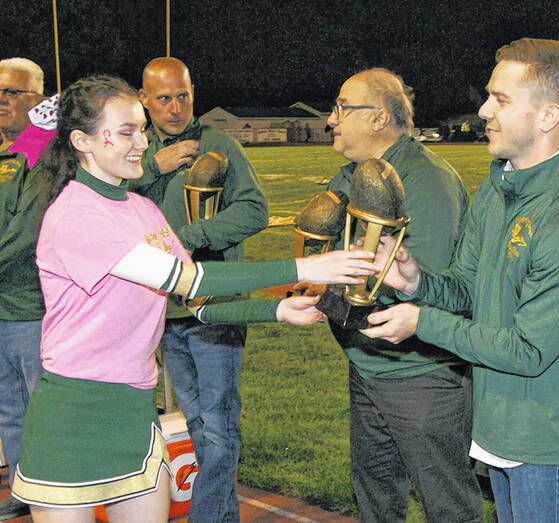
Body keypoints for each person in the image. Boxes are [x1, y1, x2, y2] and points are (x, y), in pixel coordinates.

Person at [10, 75, 377, 523]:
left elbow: (197, 300)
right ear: (83, 140)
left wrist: (276, 309)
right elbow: (183, 277)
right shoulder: (75, 213)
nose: (142, 143)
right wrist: (303, 268)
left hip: (133, 412)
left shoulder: (141, 209)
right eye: (126, 131)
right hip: (72, 414)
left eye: (141, 129)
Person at [363, 38, 559, 522]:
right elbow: (466, 288)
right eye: (489, 96)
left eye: (501, 99)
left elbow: (527, 350)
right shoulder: (500, 186)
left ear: (547, 116)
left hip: (547, 437)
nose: (483, 110)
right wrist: (416, 281)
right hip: (499, 421)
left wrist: (421, 322)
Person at [322, 68, 483, 522]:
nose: (331, 119)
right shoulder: (355, 175)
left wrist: (336, 295)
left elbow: (428, 286)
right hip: (369, 364)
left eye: (341, 107)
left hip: (421, 375)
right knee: (375, 496)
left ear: (377, 118)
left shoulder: (425, 179)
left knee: (446, 503)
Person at [130, 56, 269, 523]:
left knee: (218, 428)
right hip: (161, 310)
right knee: (198, 425)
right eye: (164, 98)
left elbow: (254, 210)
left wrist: (190, 238)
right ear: (144, 99)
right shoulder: (136, 151)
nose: (175, 107)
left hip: (215, 308)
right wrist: (153, 165)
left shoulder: (219, 144)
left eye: (183, 95)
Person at [0, 57, 49, 521]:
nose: (2, 100)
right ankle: (24, 487)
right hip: (1, 307)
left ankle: (53, 494)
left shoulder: (40, 150)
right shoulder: (5, 151)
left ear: (38, 100)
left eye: (13, 92)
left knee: (41, 407)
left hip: (33, 307)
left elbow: (27, 231)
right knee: (9, 408)